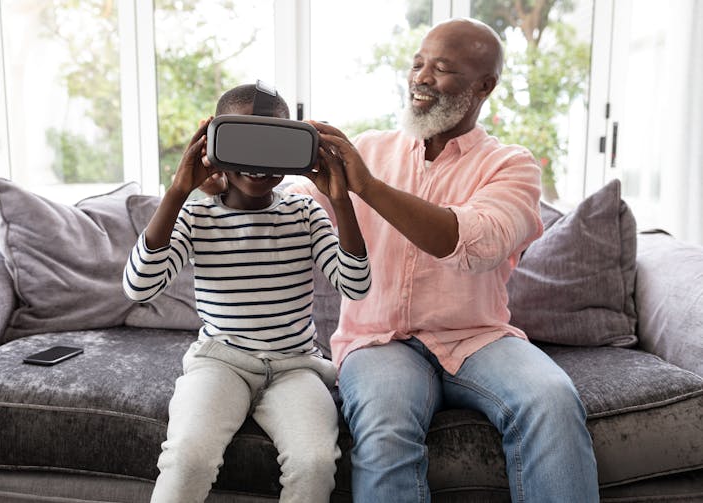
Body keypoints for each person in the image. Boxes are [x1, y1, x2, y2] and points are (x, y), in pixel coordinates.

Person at [288, 17, 601, 503]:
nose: (422, 77)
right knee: (384, 421)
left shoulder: (511, 166)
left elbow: (474, 242)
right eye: (417, 64)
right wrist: (242, 182)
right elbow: (294, 207)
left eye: (442, 68)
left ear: (485, 85)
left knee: (552, 399)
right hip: (378, 340)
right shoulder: (368, 149)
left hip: (477, 337)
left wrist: (367, 187)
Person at [123, 83, 371, 503]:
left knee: (314, 462)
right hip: (221, 363)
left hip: (296, 367)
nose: (257, 162)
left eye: (271, 143)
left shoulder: (304, 211)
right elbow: (139, 286)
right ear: (214, 143)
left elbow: (355, 285)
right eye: (243, 142)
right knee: (187, 457)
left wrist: (339, 200)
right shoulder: (197, 214)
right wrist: (178, 190)